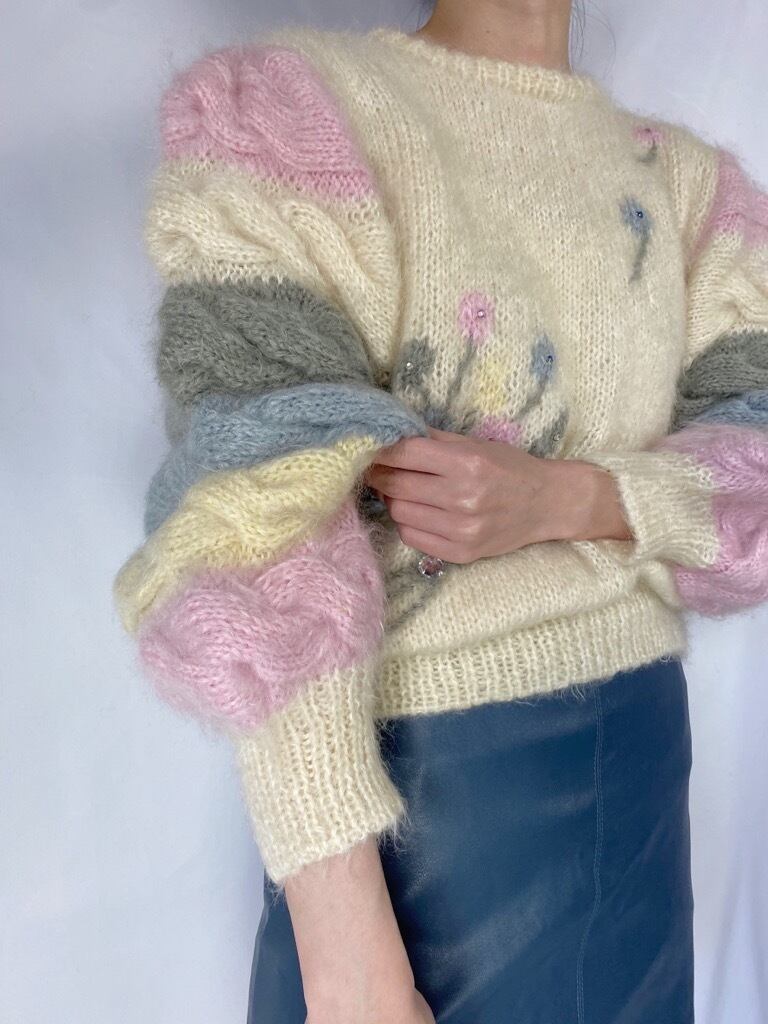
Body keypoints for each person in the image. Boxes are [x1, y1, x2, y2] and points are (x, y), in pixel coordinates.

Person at [111, 0, 768, 1021]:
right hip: (419, 810)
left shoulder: (688, 191)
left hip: (636, 782)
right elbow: (254, 527)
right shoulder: (300, 113)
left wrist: (572, 497)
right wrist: (346, 956)